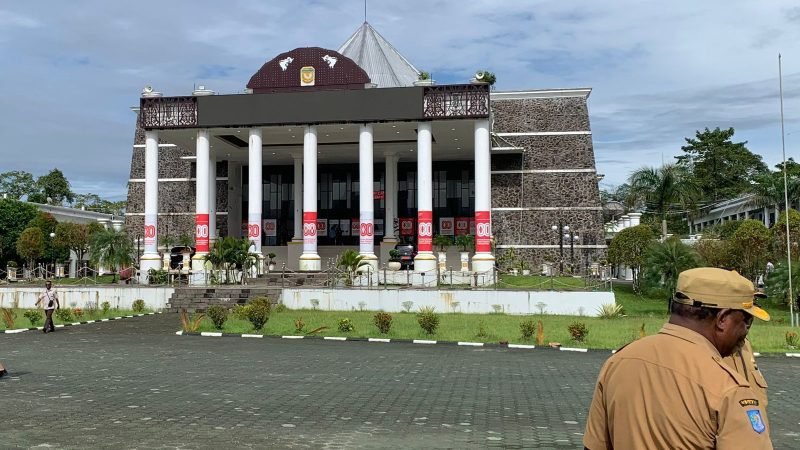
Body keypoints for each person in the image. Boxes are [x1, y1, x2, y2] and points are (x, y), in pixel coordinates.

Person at [584, 267, 773, 449]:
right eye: (747, 320)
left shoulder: (619, 362)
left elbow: (594, 445)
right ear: (723, 319)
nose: (746, 331)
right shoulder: (728, 388)